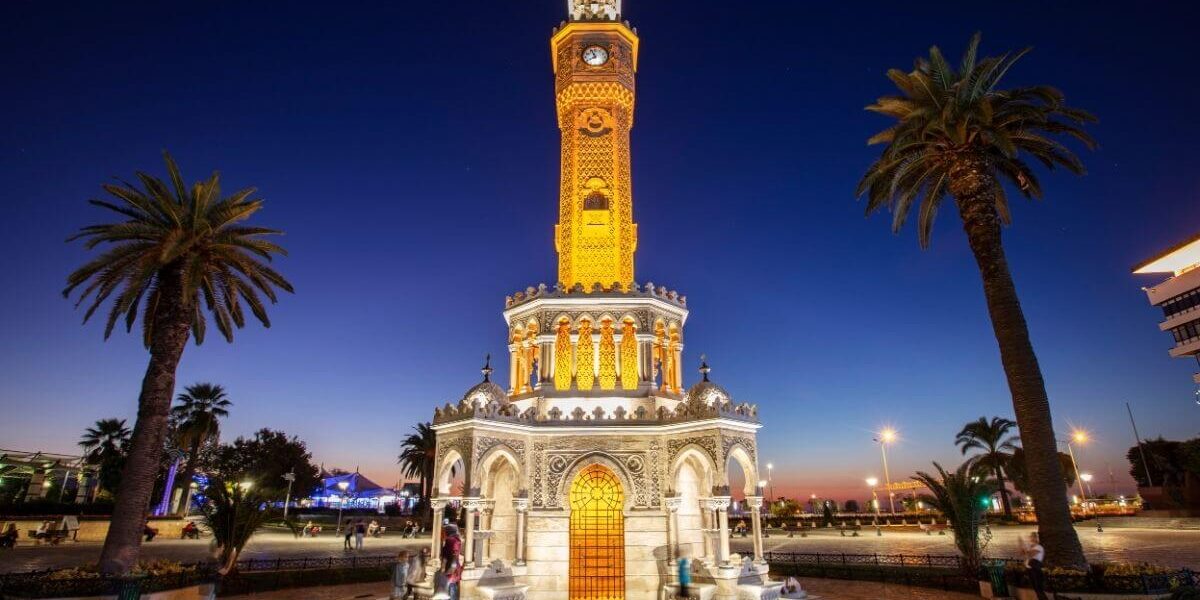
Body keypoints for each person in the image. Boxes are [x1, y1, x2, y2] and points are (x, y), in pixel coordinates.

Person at [1021, 532, 1048, 600]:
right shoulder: (1031, 547)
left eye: (1033, 537)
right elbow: (1025, 555)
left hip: (1036, 568)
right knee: (1036, 587)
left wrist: (1026, 551)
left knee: (1038, 587)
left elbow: (1031, 554)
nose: (1031, 538)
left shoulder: (1039, 547)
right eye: (1031, 537)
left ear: (1036, 538)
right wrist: (1024, 551)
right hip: (1032, 568)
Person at [441, 524, 463, 600]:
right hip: (455, 565)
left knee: (451, 586)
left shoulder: (451, 540)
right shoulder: (457, 539)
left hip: (451, 565)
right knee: (453, 584)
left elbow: (449, 552)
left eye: (444, 531)